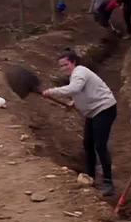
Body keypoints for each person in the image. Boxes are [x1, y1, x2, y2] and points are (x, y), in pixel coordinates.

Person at [43, 50, 118, 196]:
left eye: (65, 64)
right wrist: (74, 102)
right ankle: (90, 176)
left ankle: (108, 183)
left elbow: (75, 88)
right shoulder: (76, 75)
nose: (63, 68)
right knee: (88, 144)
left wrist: (51, 91)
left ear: (73, 62)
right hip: (92, 112)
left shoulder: (79, 72)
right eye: (61, 66)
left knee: (99, 145)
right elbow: (81, 91)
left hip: (104, 109)